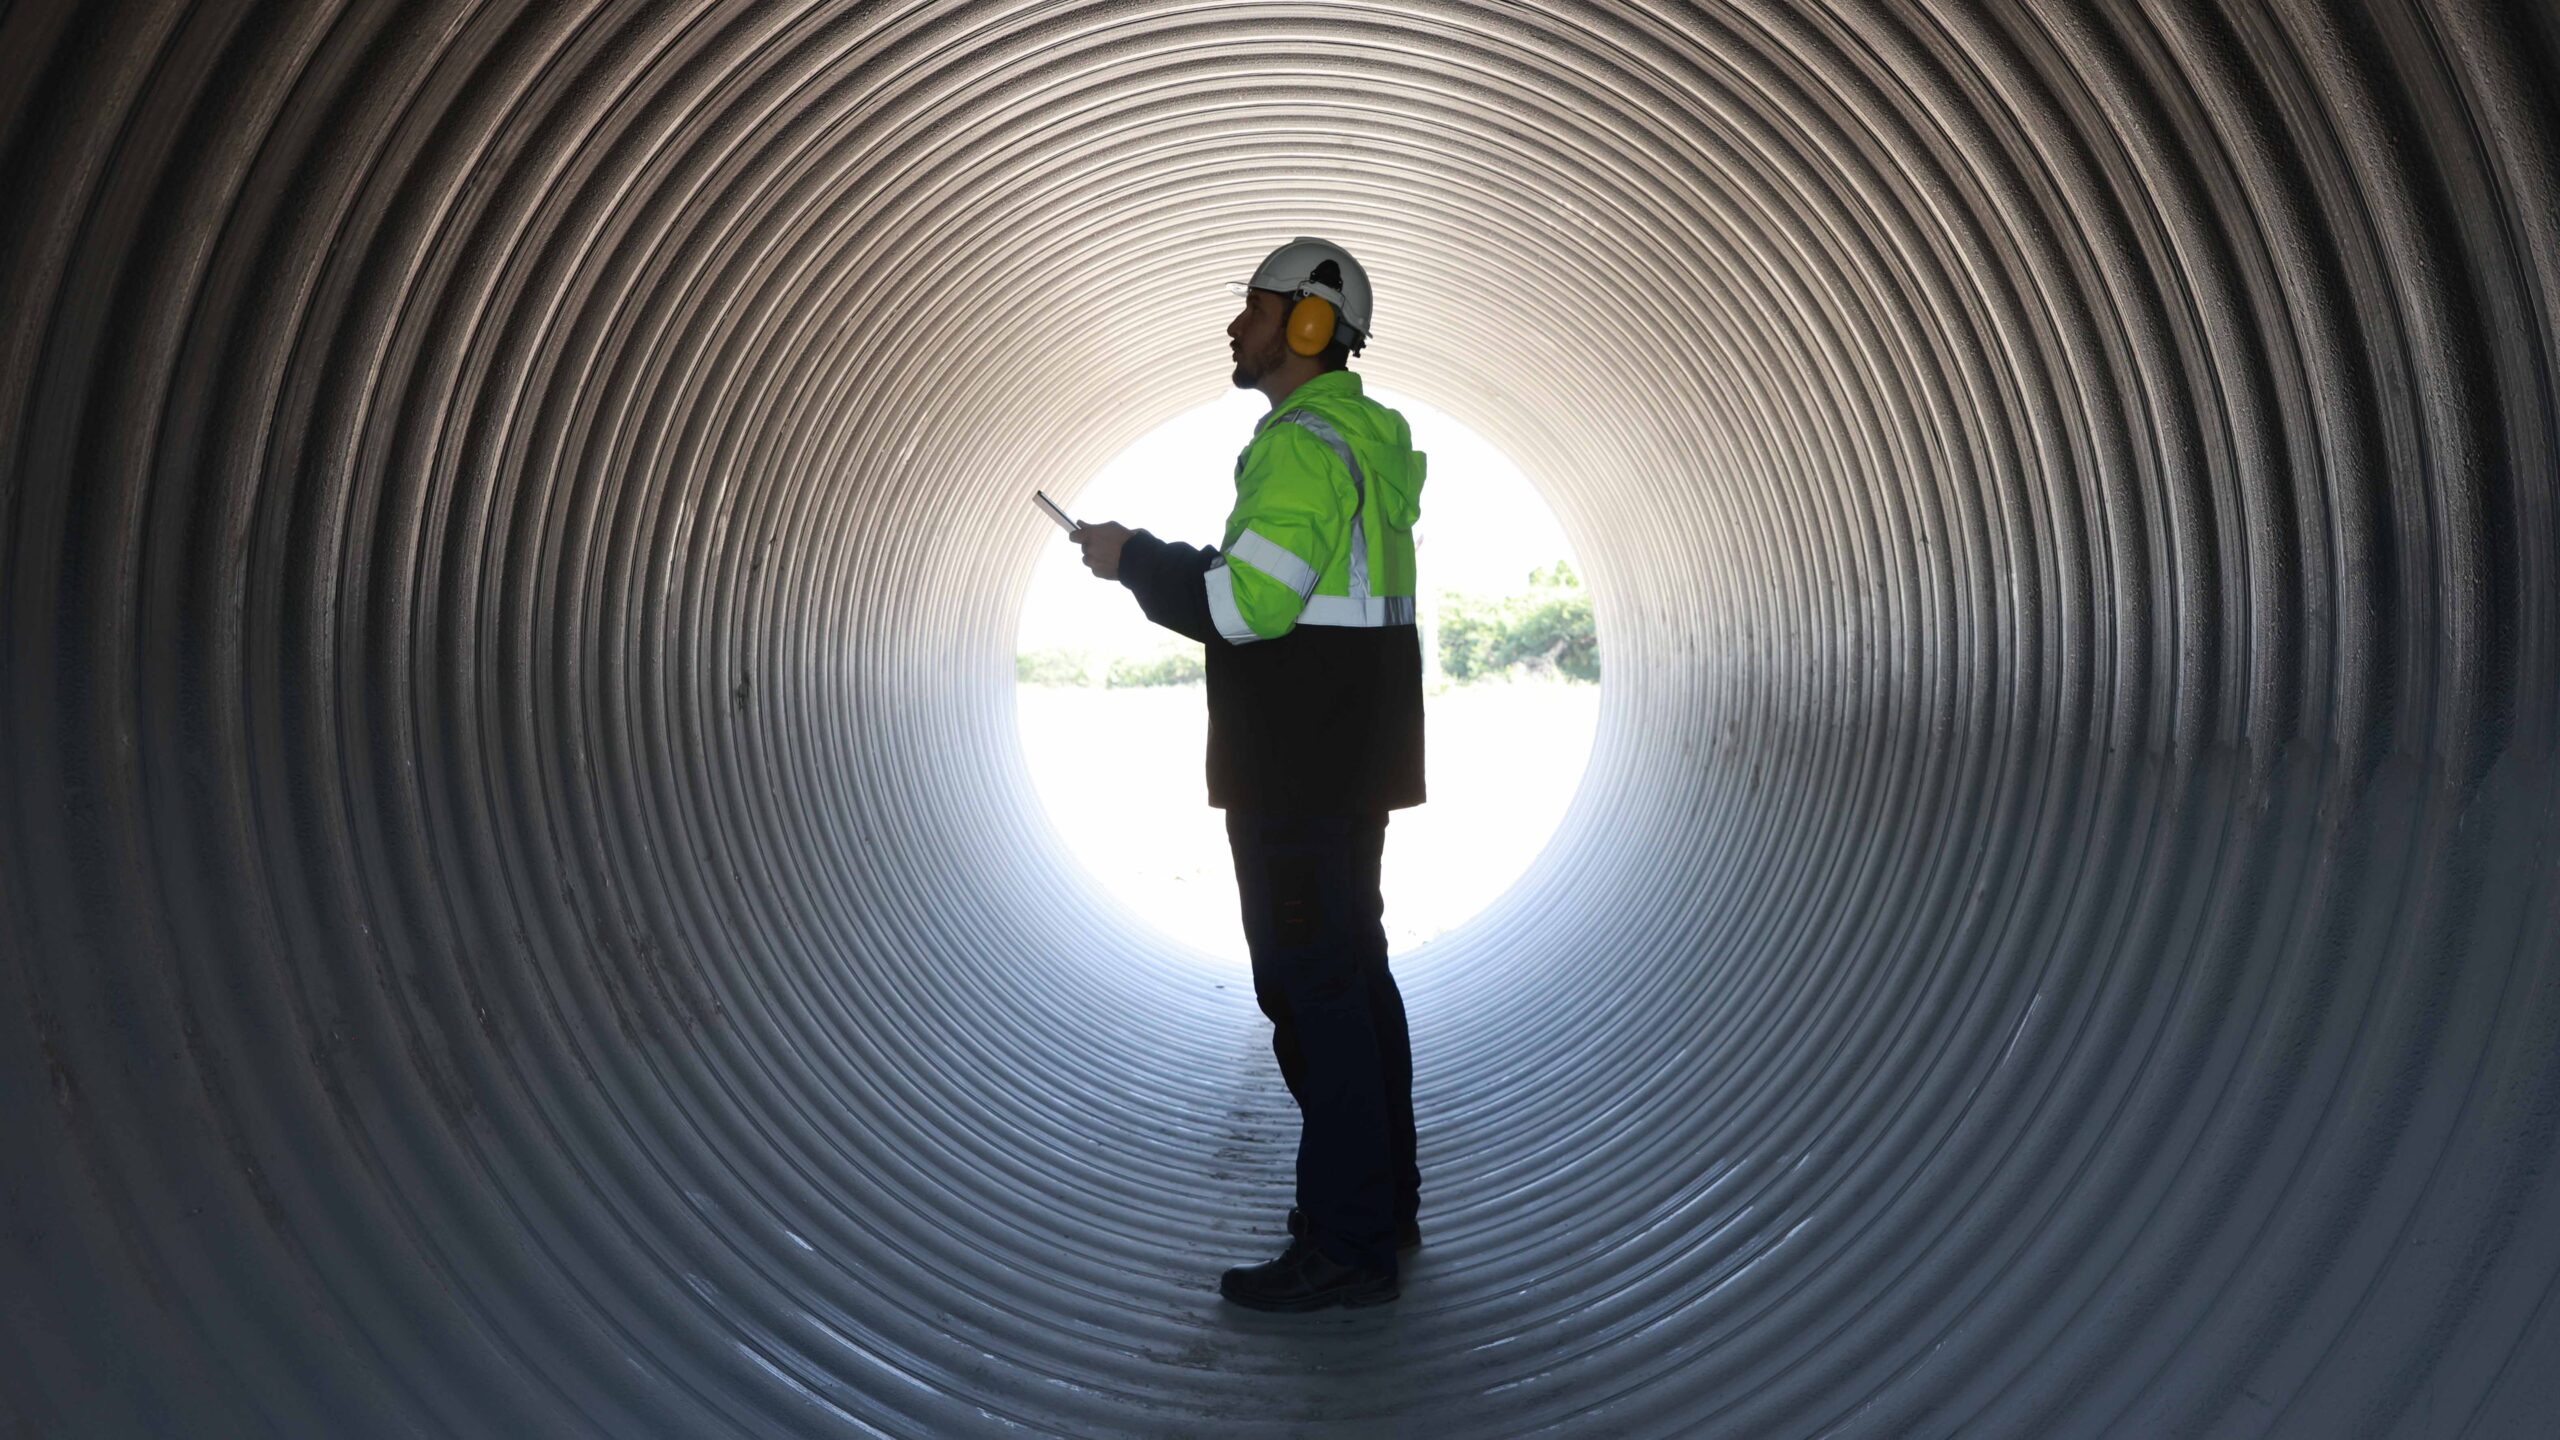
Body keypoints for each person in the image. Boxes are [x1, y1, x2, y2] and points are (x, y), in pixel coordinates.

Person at [1068, 237, 1428, 1311]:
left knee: (1311, 991)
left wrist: (1131, 557)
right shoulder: (1370, 440)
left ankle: (1348, 1243)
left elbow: (1246, 607)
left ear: (1310, 324)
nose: (1238, 325)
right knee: (1353, 984)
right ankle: (1376, 1206)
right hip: (1349, 754)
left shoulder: (1301, 442)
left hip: (1296, 763)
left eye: (1256, 307)